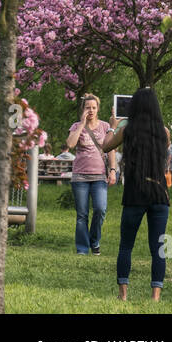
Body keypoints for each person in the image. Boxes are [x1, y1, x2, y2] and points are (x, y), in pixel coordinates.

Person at [88, 88, 171, 301]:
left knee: (126, 245)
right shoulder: (164, 131)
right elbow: (164, 158)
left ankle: (123, 294)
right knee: (159, 246)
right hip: (160, 194)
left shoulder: (128, 131)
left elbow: (105, 147)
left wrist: (113, 127)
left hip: (135, 194)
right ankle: (155, 296)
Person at [66, 94, 119, 255]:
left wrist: (112, 170)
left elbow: (110, 149)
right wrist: (82, 124)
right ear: (83, 109)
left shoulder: (104, 126)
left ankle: (94, 241)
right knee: (82, 214)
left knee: (100, 209)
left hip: (99, 176)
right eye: (88, 107)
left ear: (98, 109)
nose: (91, 110)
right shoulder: (76, 126)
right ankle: (82, 248)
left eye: (94, 107)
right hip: (80, 176)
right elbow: (70, 144)